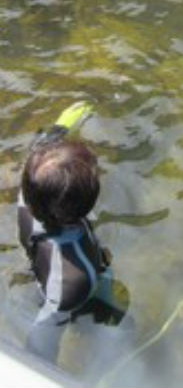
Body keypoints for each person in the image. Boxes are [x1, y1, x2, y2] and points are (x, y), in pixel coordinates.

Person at [17, 102, 128, 363]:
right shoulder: (74, 279)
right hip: (62, 291)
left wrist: (60, 128)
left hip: (42, 258)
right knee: (121, 325)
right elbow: (46, 327)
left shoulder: (29, 190)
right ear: (87, 205)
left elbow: (38, 152)